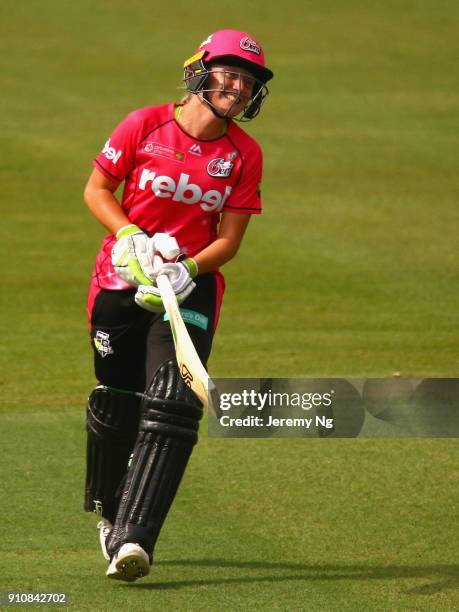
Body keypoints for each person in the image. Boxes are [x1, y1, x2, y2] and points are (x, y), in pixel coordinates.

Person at [83, 29, 274, 582]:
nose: (239, 88)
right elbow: (97, 190)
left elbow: (229, 240)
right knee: (119, 398)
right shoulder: (144, 124)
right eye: (231, 74)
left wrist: (186, 269)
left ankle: (133, 540)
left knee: (174, 400)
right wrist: (130, 238)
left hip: (188, 288)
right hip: (120, 281)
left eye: (249, 81)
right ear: (200, 72)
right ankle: (108, 513)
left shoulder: (244, 154)